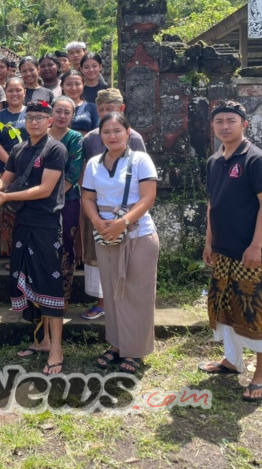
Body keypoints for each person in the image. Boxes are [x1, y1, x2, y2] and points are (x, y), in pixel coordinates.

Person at [199, 100, 262, 403]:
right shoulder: (214, 161)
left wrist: (256, 246)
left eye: (231, 120)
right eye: (219, 122)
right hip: (222, 250)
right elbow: (212, 205)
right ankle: (231, 361)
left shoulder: (255, 159)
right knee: (225, 308)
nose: (224, 126)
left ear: (244, 124)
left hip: (248, 251)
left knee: (255, 310)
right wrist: (209, 241)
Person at [0, 99, 67, 375]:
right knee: (28, 280)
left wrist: (5, 197)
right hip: (21, 223)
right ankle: (43, 341)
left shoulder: (55, 149)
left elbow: (45, 189)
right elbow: (5, 180)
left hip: (45, 224)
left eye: (39, 118)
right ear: (25, 121)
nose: (34, 122)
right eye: (30, 118)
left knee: (49, 284)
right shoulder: (19, 149)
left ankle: (57, 349)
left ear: (49, 121)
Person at [82, 112, 159, 375]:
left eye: (117, 131)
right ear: (99, 135)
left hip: (137, 235)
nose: (112, 136)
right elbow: (88, 198)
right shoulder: (93, 163)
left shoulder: (140, 160)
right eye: (106, 132)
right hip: (105, 235)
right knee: (113, 294)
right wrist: (97, 222)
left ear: (128, 133)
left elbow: (147, 198)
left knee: (137, 293)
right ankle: (116, 344)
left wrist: (122, 223)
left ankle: (135, 350)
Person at [81, 88, 146, 320]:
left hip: (126, 210)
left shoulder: (134, 138)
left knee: (127, 255)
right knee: (99, 255)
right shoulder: (90, 138)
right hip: (97, 208)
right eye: (102, 109)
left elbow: (143, 181)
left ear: (122, 109)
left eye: (112, 108)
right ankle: (101, 302)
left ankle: (124, 303)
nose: (107, 112)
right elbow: (85, 176)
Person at [48, 96, 84, 308]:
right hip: (39, 203)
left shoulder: (75, 139)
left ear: (72, 116)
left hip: (68, 200)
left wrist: (47, 195)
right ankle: (43, 292)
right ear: (51, 113)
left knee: (66, 246)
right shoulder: (41, 135)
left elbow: (73, 173)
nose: (62, 116)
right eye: (58, 111)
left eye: (67, 112)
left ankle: (64, 293)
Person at [0, 77, 27, 259]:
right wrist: (13, 163)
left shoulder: (31, 114)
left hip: (30, 170)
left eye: (18, 90)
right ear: (5, 93)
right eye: (10, 90)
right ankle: (10, 256)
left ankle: (26, 255)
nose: (14, 94)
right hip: (5, 170)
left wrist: (23, 164)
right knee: (6, 213)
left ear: (24, 92)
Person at [60, 70, 98, 136]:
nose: (74, 88)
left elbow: (98, 132)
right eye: (69, 84)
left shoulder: (92, 107)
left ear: (83, 85)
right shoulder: (55, 107)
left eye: (77, 84)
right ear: (62, 86)